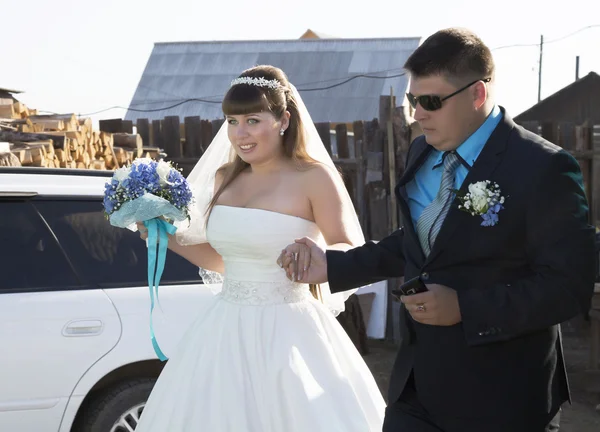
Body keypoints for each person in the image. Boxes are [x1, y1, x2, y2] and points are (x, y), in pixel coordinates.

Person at [279, 28, 596, 432]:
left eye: (430, 101)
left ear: (477, 94)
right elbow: (415, 242)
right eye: (413, 100)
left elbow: (569, 286)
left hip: (504, 398)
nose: (417, 114)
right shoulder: (422, 150)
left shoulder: (544, 168)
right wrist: (332, 266)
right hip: (416, 390)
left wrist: (466, 307)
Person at [133, 65, 386, 431]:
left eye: (253, 120)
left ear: (283, 119)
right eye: (232, 121)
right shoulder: (225, 178)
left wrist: (314, 256)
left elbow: (349, 247)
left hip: (289, 330)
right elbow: (226, 260)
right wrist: (165, 237)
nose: (240, 133)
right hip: (224, 330)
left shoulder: (315, 177)